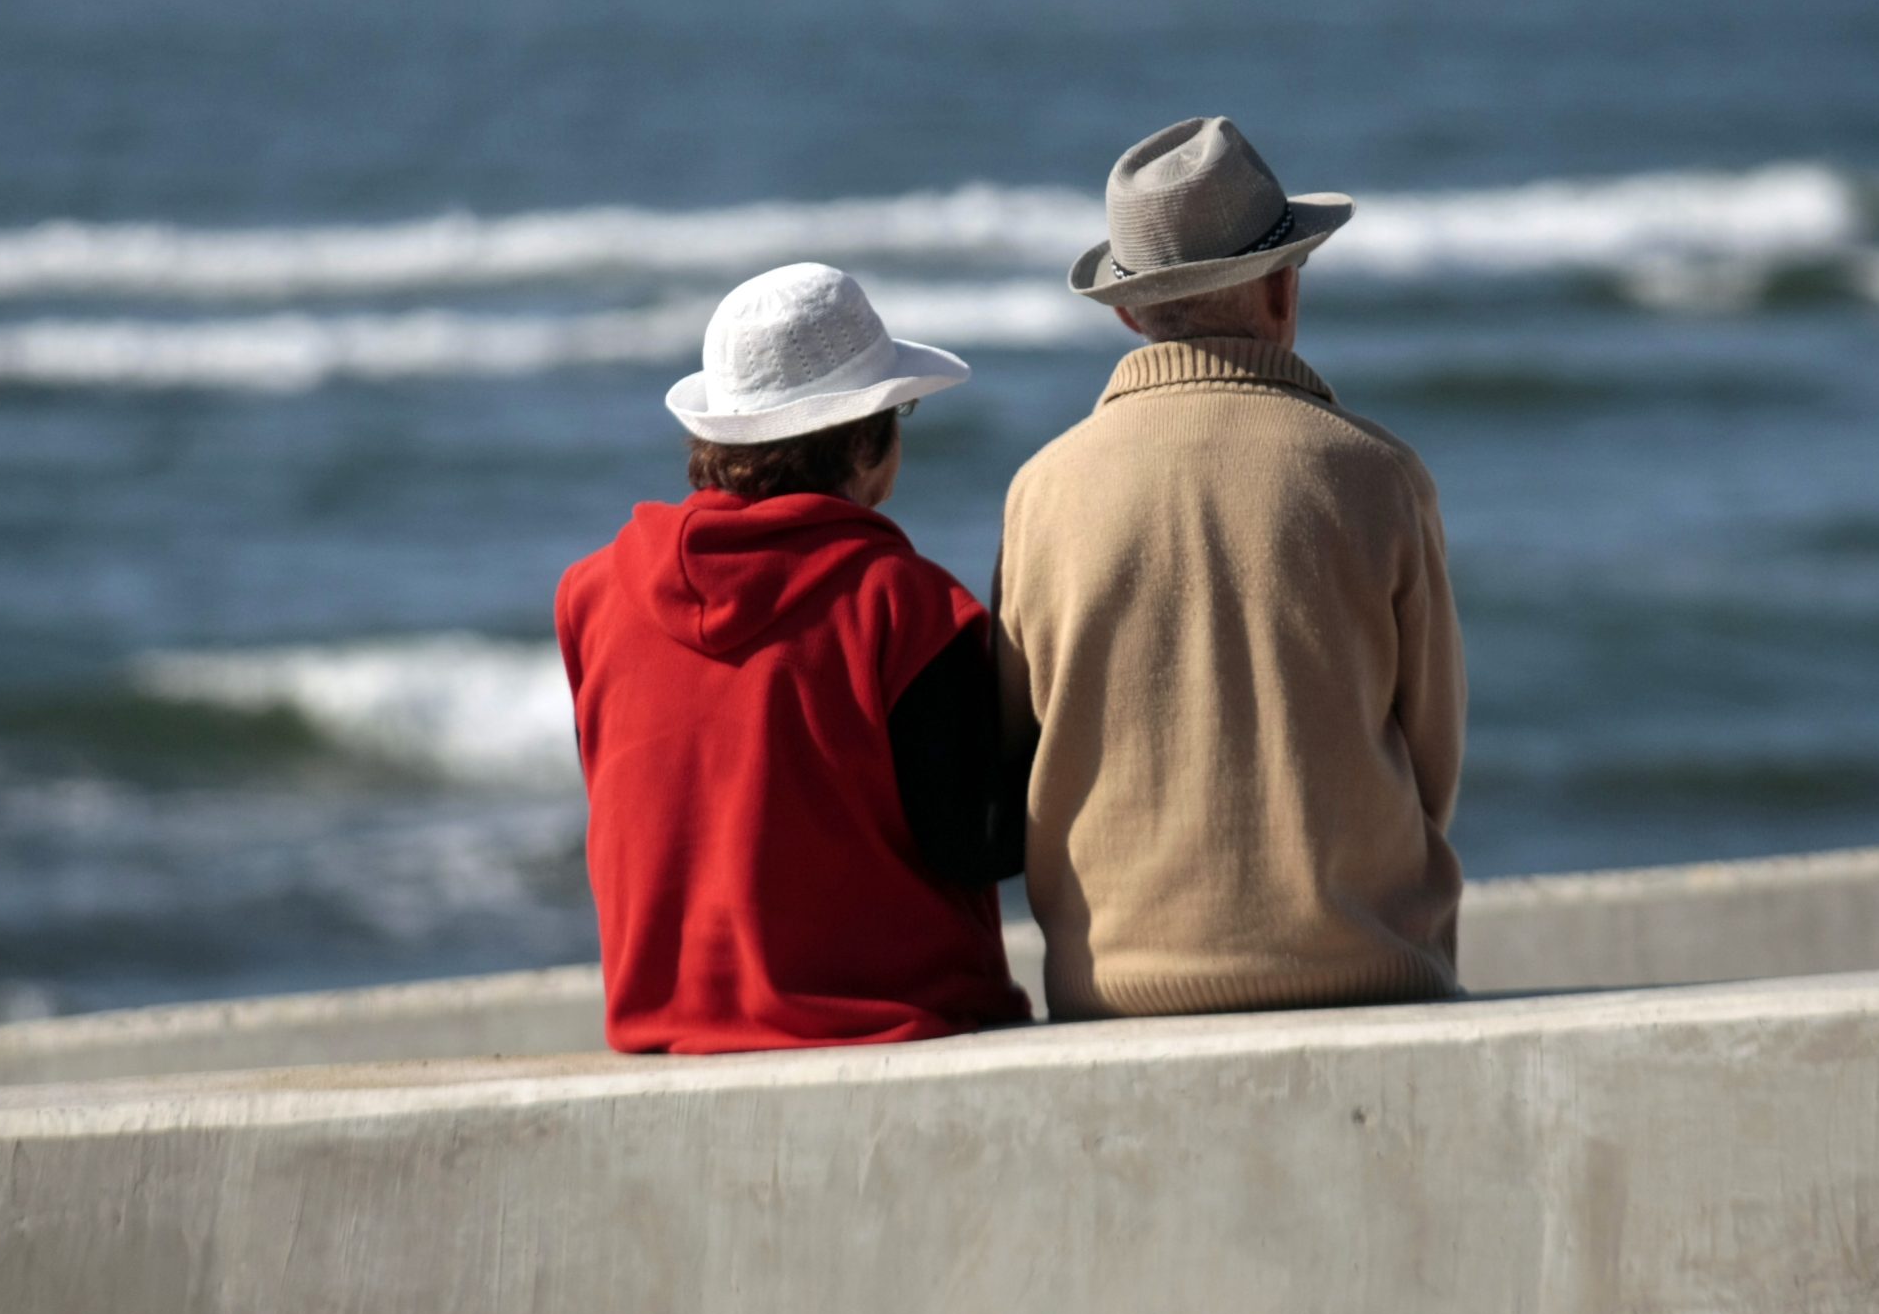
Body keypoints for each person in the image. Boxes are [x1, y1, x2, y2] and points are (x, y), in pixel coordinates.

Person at [994, 117, 1466, 1020]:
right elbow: (1433, 763)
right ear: (1285, 289)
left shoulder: (1041, 493)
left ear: (1128, 311)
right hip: (1369, 975)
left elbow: (1022, 756)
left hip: (1115, 992)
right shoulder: (1379, 476)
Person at [557, 262, 1030, 1053]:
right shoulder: (903, 604)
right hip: (891, 1022)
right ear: (862, 442)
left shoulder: (591, 595)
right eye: (897, 410)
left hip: (667, 1030)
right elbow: (974, 840)